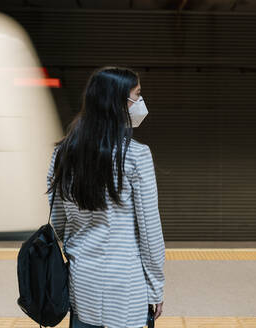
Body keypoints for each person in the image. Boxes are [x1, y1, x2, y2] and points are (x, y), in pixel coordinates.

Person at [46, 66, 165, 328]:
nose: (140, 102)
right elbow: (149, 229)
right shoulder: (135, 155)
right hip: (126, 285)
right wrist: (156, 286)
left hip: (81, 280)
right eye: (137, 95)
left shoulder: (63, 153)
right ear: (118, 102)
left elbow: (58, 221)